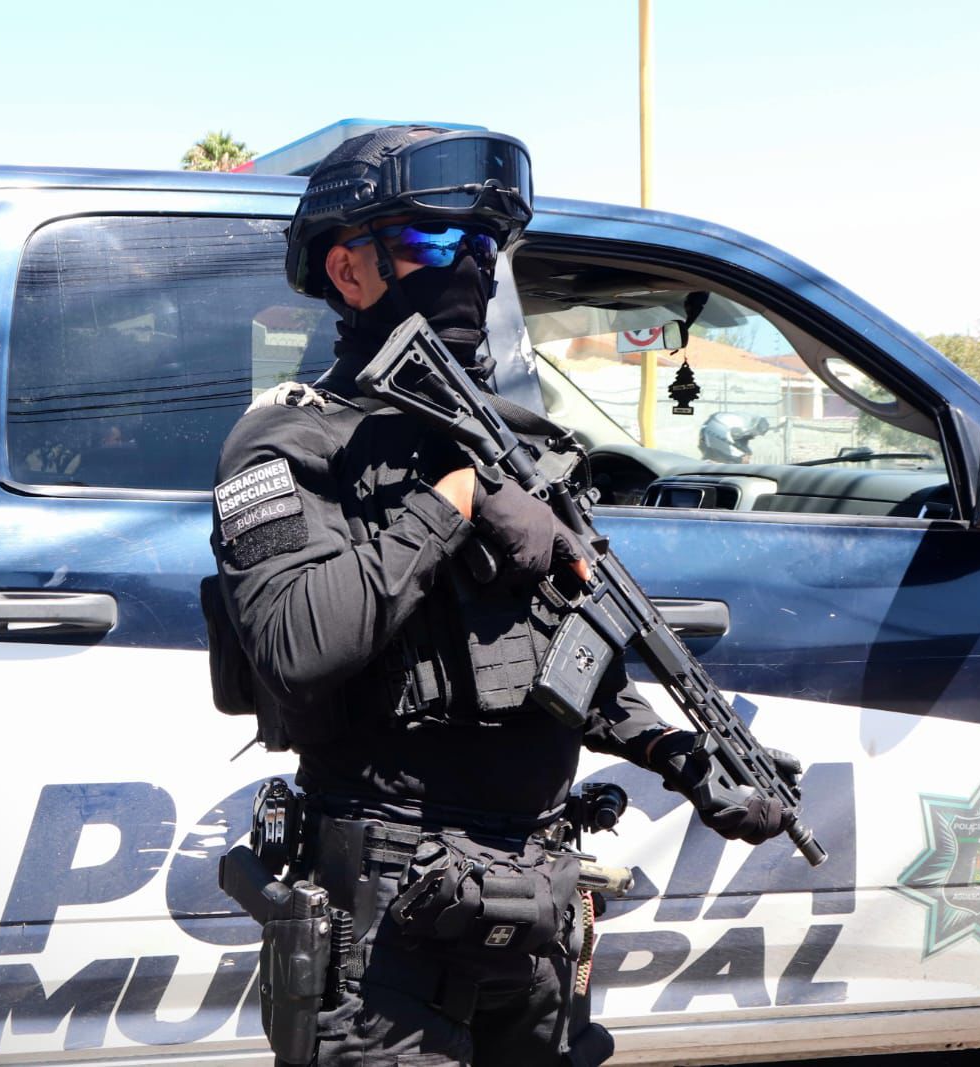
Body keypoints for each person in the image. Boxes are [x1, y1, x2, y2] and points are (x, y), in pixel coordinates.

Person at [207, 126, 792, 1067]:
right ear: (346, 269)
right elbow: (297, 644)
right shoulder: (291, 441)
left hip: (538, 902)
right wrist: (454, 504)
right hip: (386, 922)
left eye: (485, 243)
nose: (469, 266)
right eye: (431, 240)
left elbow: (571, 664)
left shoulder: (523, 445)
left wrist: (683, 756)